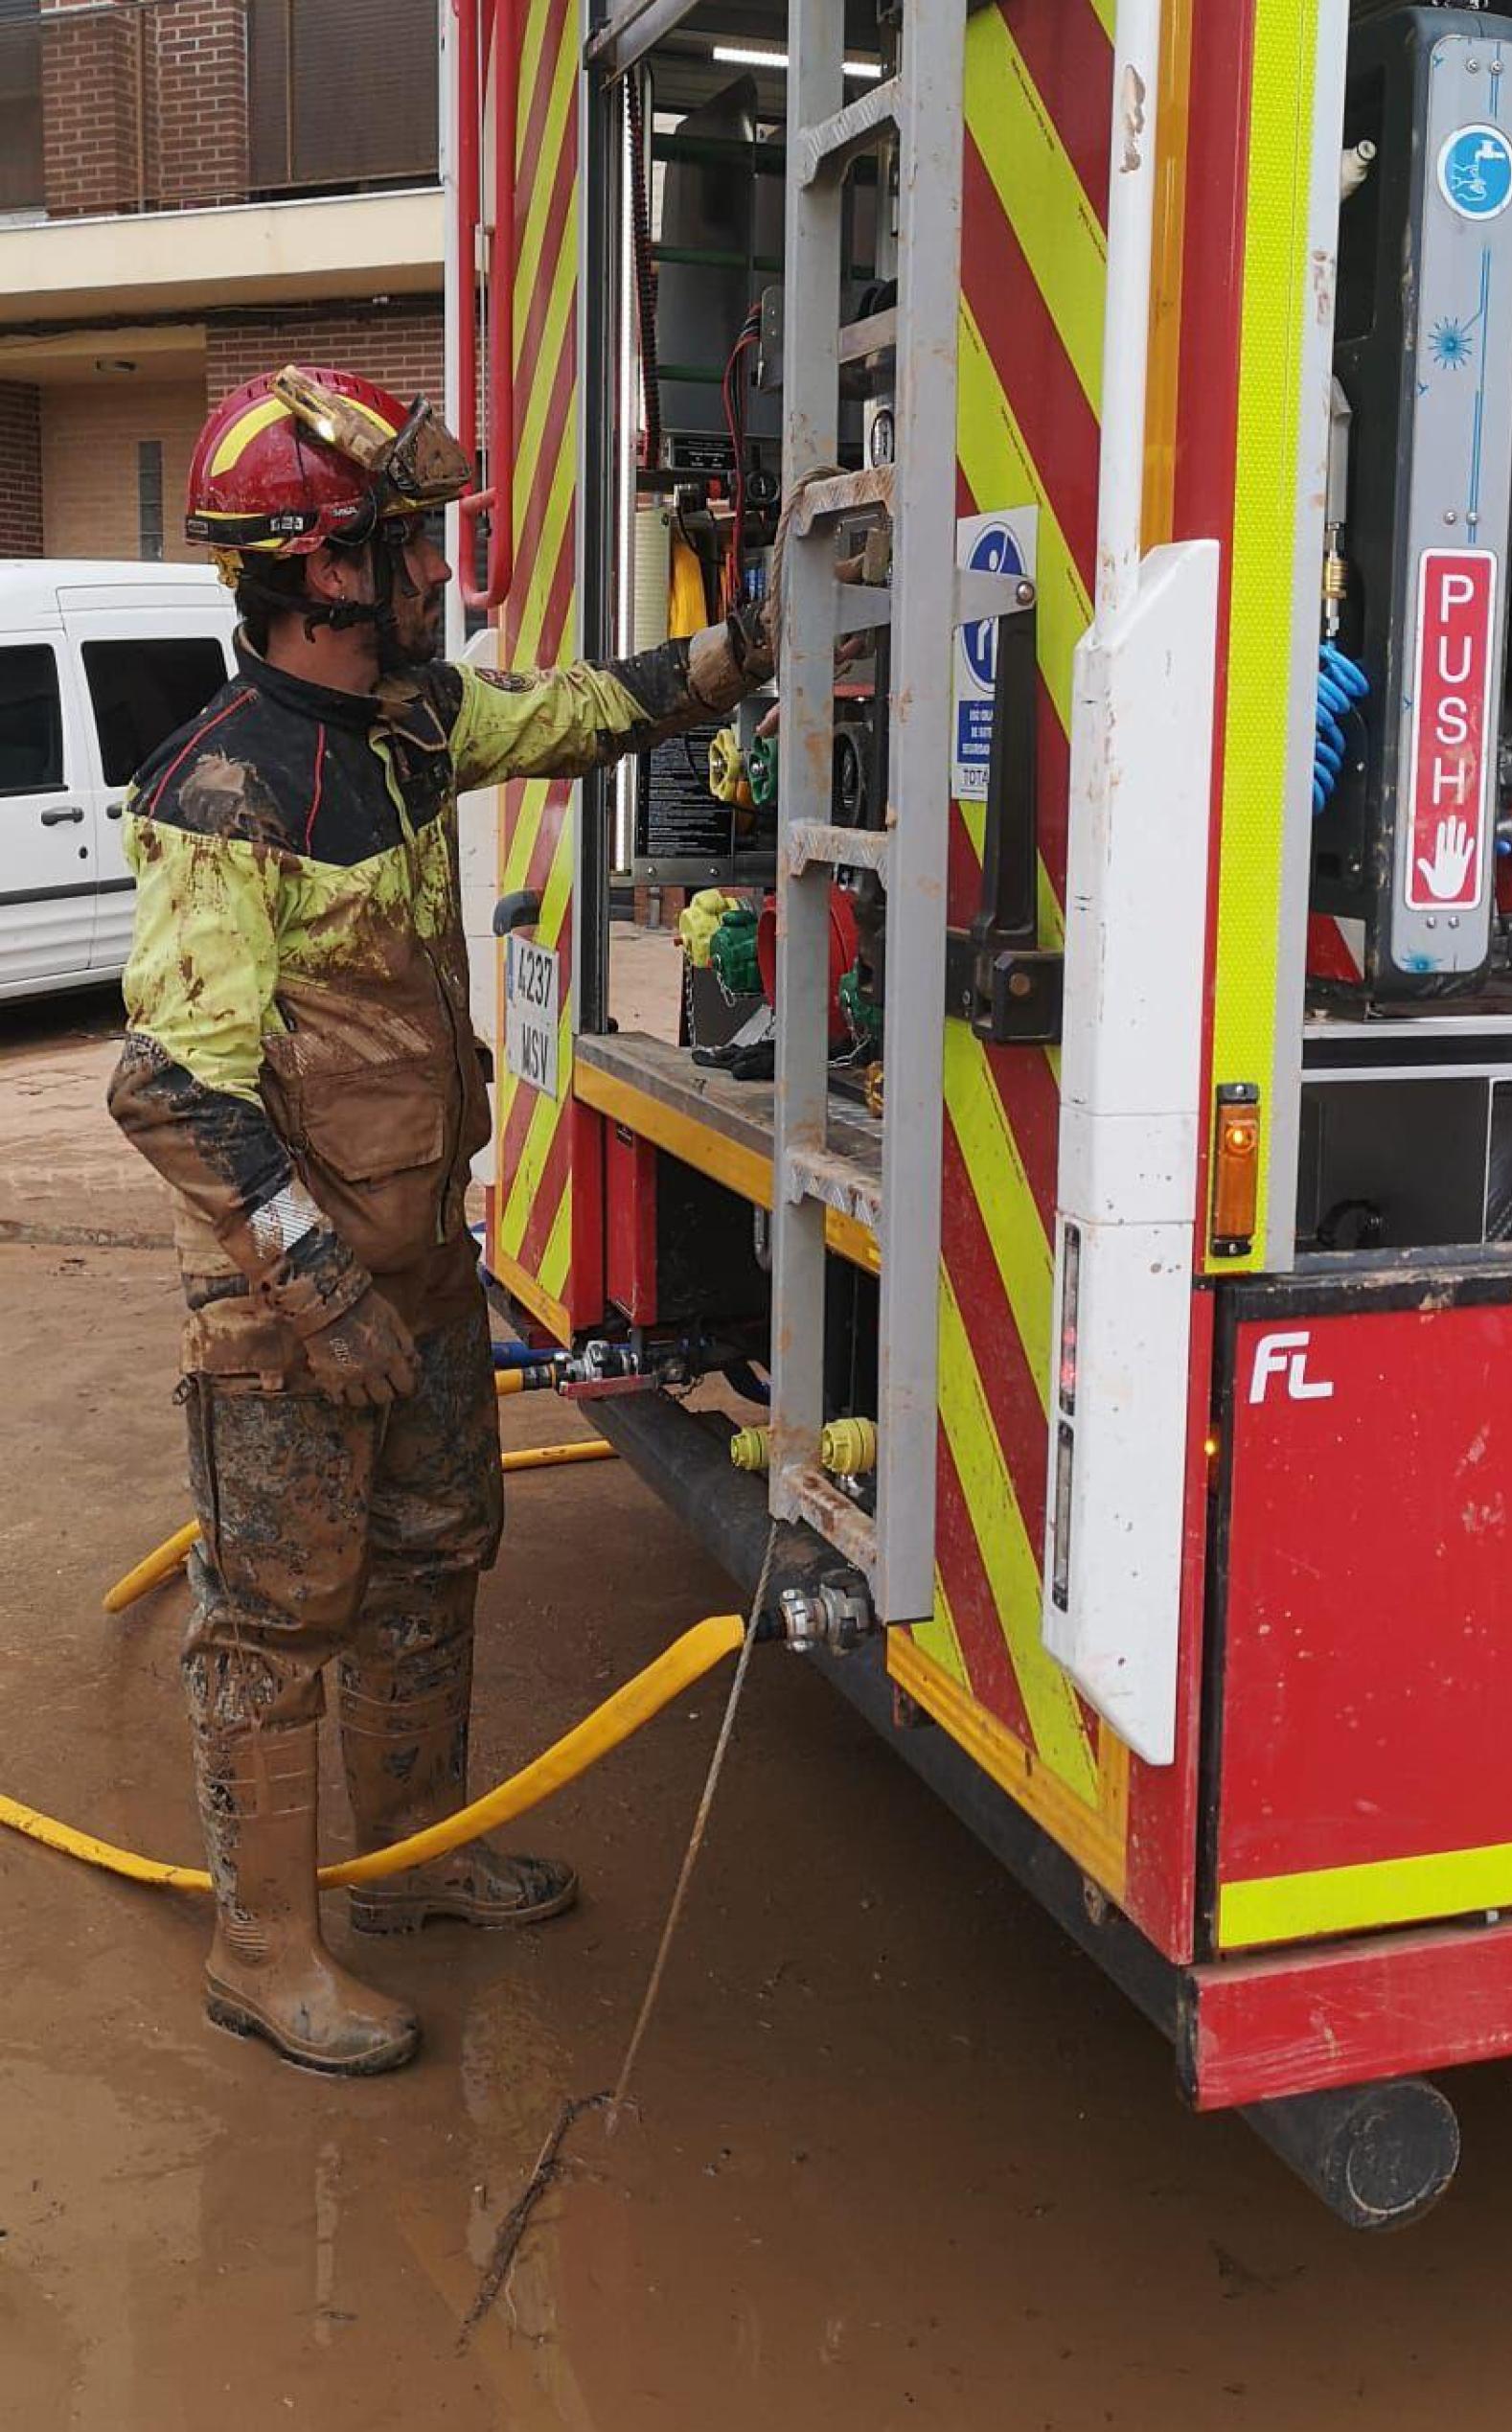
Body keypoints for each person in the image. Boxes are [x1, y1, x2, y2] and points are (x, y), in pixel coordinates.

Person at [107, 364, 773, 2075]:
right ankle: (264, 1947)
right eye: (407, 544)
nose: (433, 573)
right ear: (324, 569)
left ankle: (409, 1865)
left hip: (414, 1271)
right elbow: (171, 1085)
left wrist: (752, 647)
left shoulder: (406, 729)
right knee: (275, 1613)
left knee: (430, 1559)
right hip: (287, 1304)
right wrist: (319, 1281)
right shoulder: (221, 797)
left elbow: (571, 716)